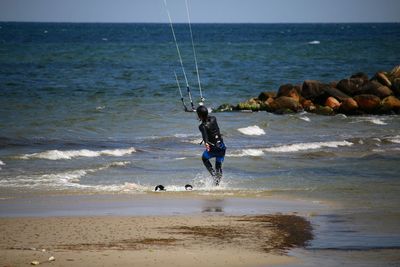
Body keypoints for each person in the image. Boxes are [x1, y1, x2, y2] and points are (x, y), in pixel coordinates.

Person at [196, 105, 226, 186]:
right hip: (222, 147)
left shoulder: (201, 126)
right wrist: (202, 115)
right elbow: (207, 118)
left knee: (204, 158)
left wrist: (206, 142)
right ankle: (217, 184)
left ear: (199, 115)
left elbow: (205, 134)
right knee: (218, 167)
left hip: (213, 148)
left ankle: (213, 175)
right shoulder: (214, 118)